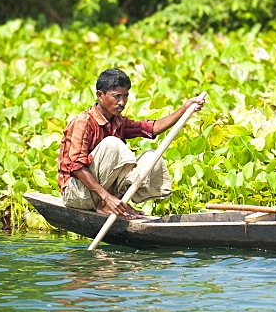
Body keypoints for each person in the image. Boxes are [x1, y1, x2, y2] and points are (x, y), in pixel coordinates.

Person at [57, 68, 206, 219]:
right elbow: (76, 166)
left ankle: (119, 202)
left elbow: (152, 128)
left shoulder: (119, 121)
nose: (122, 102)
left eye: (125, 96)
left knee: (151, 157)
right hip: (78, 194)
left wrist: (186, 109)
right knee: (112, 144)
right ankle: (106, 204)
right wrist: (107, 198)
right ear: (100, 95)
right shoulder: (84, 122)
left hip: (103, 194)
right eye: (116, 96)